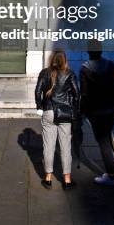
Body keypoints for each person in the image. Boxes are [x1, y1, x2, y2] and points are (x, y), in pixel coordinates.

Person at [80, 41, 114, 186]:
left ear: (89, 52)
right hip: (113, 109)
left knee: (104, 143)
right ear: (101, 51)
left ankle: (111, 175)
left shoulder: (85, 69)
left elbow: (85, 94)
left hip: (97, 112)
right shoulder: (111, 65)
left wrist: (82, 111)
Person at [35, 50, 80, 190]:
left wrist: (39, 107)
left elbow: (37, 91)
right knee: (65, 146)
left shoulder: (44, 73)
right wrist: (75, 110)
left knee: (48, 146)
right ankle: (67, 179)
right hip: (65, 114)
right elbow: (77, 94)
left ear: (52, 59)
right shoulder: (70, 74)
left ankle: (48, 178)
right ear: (65, 60)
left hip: (48, 111)